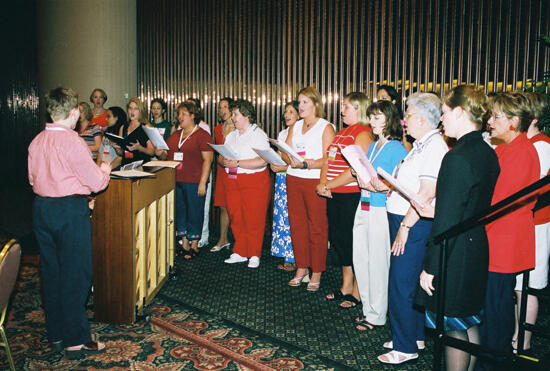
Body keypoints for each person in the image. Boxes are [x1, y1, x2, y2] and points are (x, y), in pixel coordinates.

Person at [413, 86, 500, 371]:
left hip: (455, 253)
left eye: (446, 112)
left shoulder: (457, 156)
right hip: (475, 245)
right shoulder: (486, 152)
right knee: (468, 319)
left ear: (461, 112)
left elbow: (447, 221)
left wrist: (430, 266)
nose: (442, 119)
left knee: (452, 328)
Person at [28, 87, 110, 358]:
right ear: (74, 112)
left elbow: (33, 180)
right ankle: (76, 341)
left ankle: (57, 335)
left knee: (52, 274)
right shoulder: (74, 141)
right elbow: (96, 183)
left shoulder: (37, 141)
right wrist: (106, 168)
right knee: (76, 274)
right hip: (69, 211)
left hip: (42, 209)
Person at [377, 92, 448, 365]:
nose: (403, 119)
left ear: (420, 118)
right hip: (405, 217)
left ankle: (405, 346)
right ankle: (412, 334)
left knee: (401, 283)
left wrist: (405, 225)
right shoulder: (421, 145)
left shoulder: (434, 147)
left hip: (413, 222)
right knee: (408, 281)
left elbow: (426, 193)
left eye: (407, 114)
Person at [475, 92, 540, 370]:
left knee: (497, 305)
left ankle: (494, 360)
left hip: (505, 239)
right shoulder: (503, 148)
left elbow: (499, 199)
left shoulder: (523, 151)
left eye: (496, 116)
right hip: (494, 236)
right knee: (490, 303)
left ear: (514, 121)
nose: (490, 121)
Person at [352, 100, 407, 330]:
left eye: (377, 117)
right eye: (371, 117)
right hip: (363, 203)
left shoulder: (397, 148)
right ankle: (368, 309)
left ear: (389, 119)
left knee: (377, 262)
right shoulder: (374, 146)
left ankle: (377, 314)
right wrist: (359, 173)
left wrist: (382, 185)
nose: (372, 122)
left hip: (380, 209)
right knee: (361, 258)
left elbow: (399, 181)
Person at [316, 92, 373, 308]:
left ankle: (357, 292)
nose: (342, 110)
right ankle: (346, 285)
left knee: (354, 242)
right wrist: (323, 184)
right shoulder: (341, 133)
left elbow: (355, 170)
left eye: (347, 106)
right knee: (340, 241)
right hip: (333, 194)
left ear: (359, 108)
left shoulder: (364, 133)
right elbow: (327, 162)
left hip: (351, 195)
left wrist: (329, 185)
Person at [285, 86, 335, 291]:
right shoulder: (295, 126)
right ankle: (302, 266)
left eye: (305, 102)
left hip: (314, 179)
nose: (300, 106)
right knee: (297, 226)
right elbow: (285, 150)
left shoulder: (326, 127)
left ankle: (317, 270)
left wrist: (307, 163)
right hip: (294, 178)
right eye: (299, 102)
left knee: (317, 227)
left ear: (316, 104)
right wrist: (285, 157)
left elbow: (329, 159)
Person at [512, 92, 550, 352]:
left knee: (529, 285)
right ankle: (516, 335)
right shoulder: (524, 142)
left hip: (536, 223)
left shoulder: (541, 144)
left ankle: (523, 340)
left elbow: (533, 187)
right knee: (517, 287)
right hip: (521, 223)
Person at [220, 99, 271, 268]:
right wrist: (224, 160)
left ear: (246, 115)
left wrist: (238, 163)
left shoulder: (258, 134)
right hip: (233, 180)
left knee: (253, 218)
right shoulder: (231, 135)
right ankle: (240, 250)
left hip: (254, 181)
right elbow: (221, 157)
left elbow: (263, 161)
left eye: (235, 114)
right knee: (236, 216)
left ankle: (254, 253)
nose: (232, 118)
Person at [161, 101, 213, 259]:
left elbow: (208, 160)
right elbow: (165, 155)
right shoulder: (176, 135)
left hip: (194, 181)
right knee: (180, 211)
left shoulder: (203, 135)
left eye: (183, 114)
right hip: (176, 180)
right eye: (179, 114)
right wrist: (159, 150)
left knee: (195, 212)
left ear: (192, 116)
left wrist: (203, 182)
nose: (179, 117)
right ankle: (184, 243)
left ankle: (194, 244)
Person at [270, 101, 299, 271]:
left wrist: (285, 167)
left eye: (291, 111)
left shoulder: (303, 134)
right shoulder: (282, 133)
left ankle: (294, 258)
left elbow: (303, 162)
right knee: (282, 217)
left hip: (295, 178)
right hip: (281, 180)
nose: (287, 115)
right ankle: (286, 253)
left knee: (293, 218)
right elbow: (281, 157)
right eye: (285, 112)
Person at [187, 97, 212, 248]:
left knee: (201, 205)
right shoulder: (180, 127)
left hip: (200, 172)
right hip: (186, 173)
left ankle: (202, 236)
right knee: (187, 206)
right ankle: (187, 236)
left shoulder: (204, 127)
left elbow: (206, 156)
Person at [210, 97, 234, 252]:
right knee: (223, 206)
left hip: (236, 170)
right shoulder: (217, 129)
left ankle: (240, 241)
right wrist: (220, 159)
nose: (222, 110)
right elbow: (216, 152)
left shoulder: (240, 128)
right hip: (222, 171)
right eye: (220, 108)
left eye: (225, 107)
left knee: (237, 207)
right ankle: (223, 239)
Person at [117, 97, 156, 166]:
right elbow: (121, 153)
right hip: (126, 165)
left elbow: (152, 152)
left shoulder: (146, 127)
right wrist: (116, 147)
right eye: (130, 108)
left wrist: (140, 148)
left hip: (142, 166)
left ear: (140, 111)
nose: (132, 111)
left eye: (135, 109)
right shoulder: (123, 127)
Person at [377, 85, 412, 151]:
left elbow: (408, 151)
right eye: (378, 98)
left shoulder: (402, 124)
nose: (380, 101)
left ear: (393, 101)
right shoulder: (375, 123)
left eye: (384, 98)